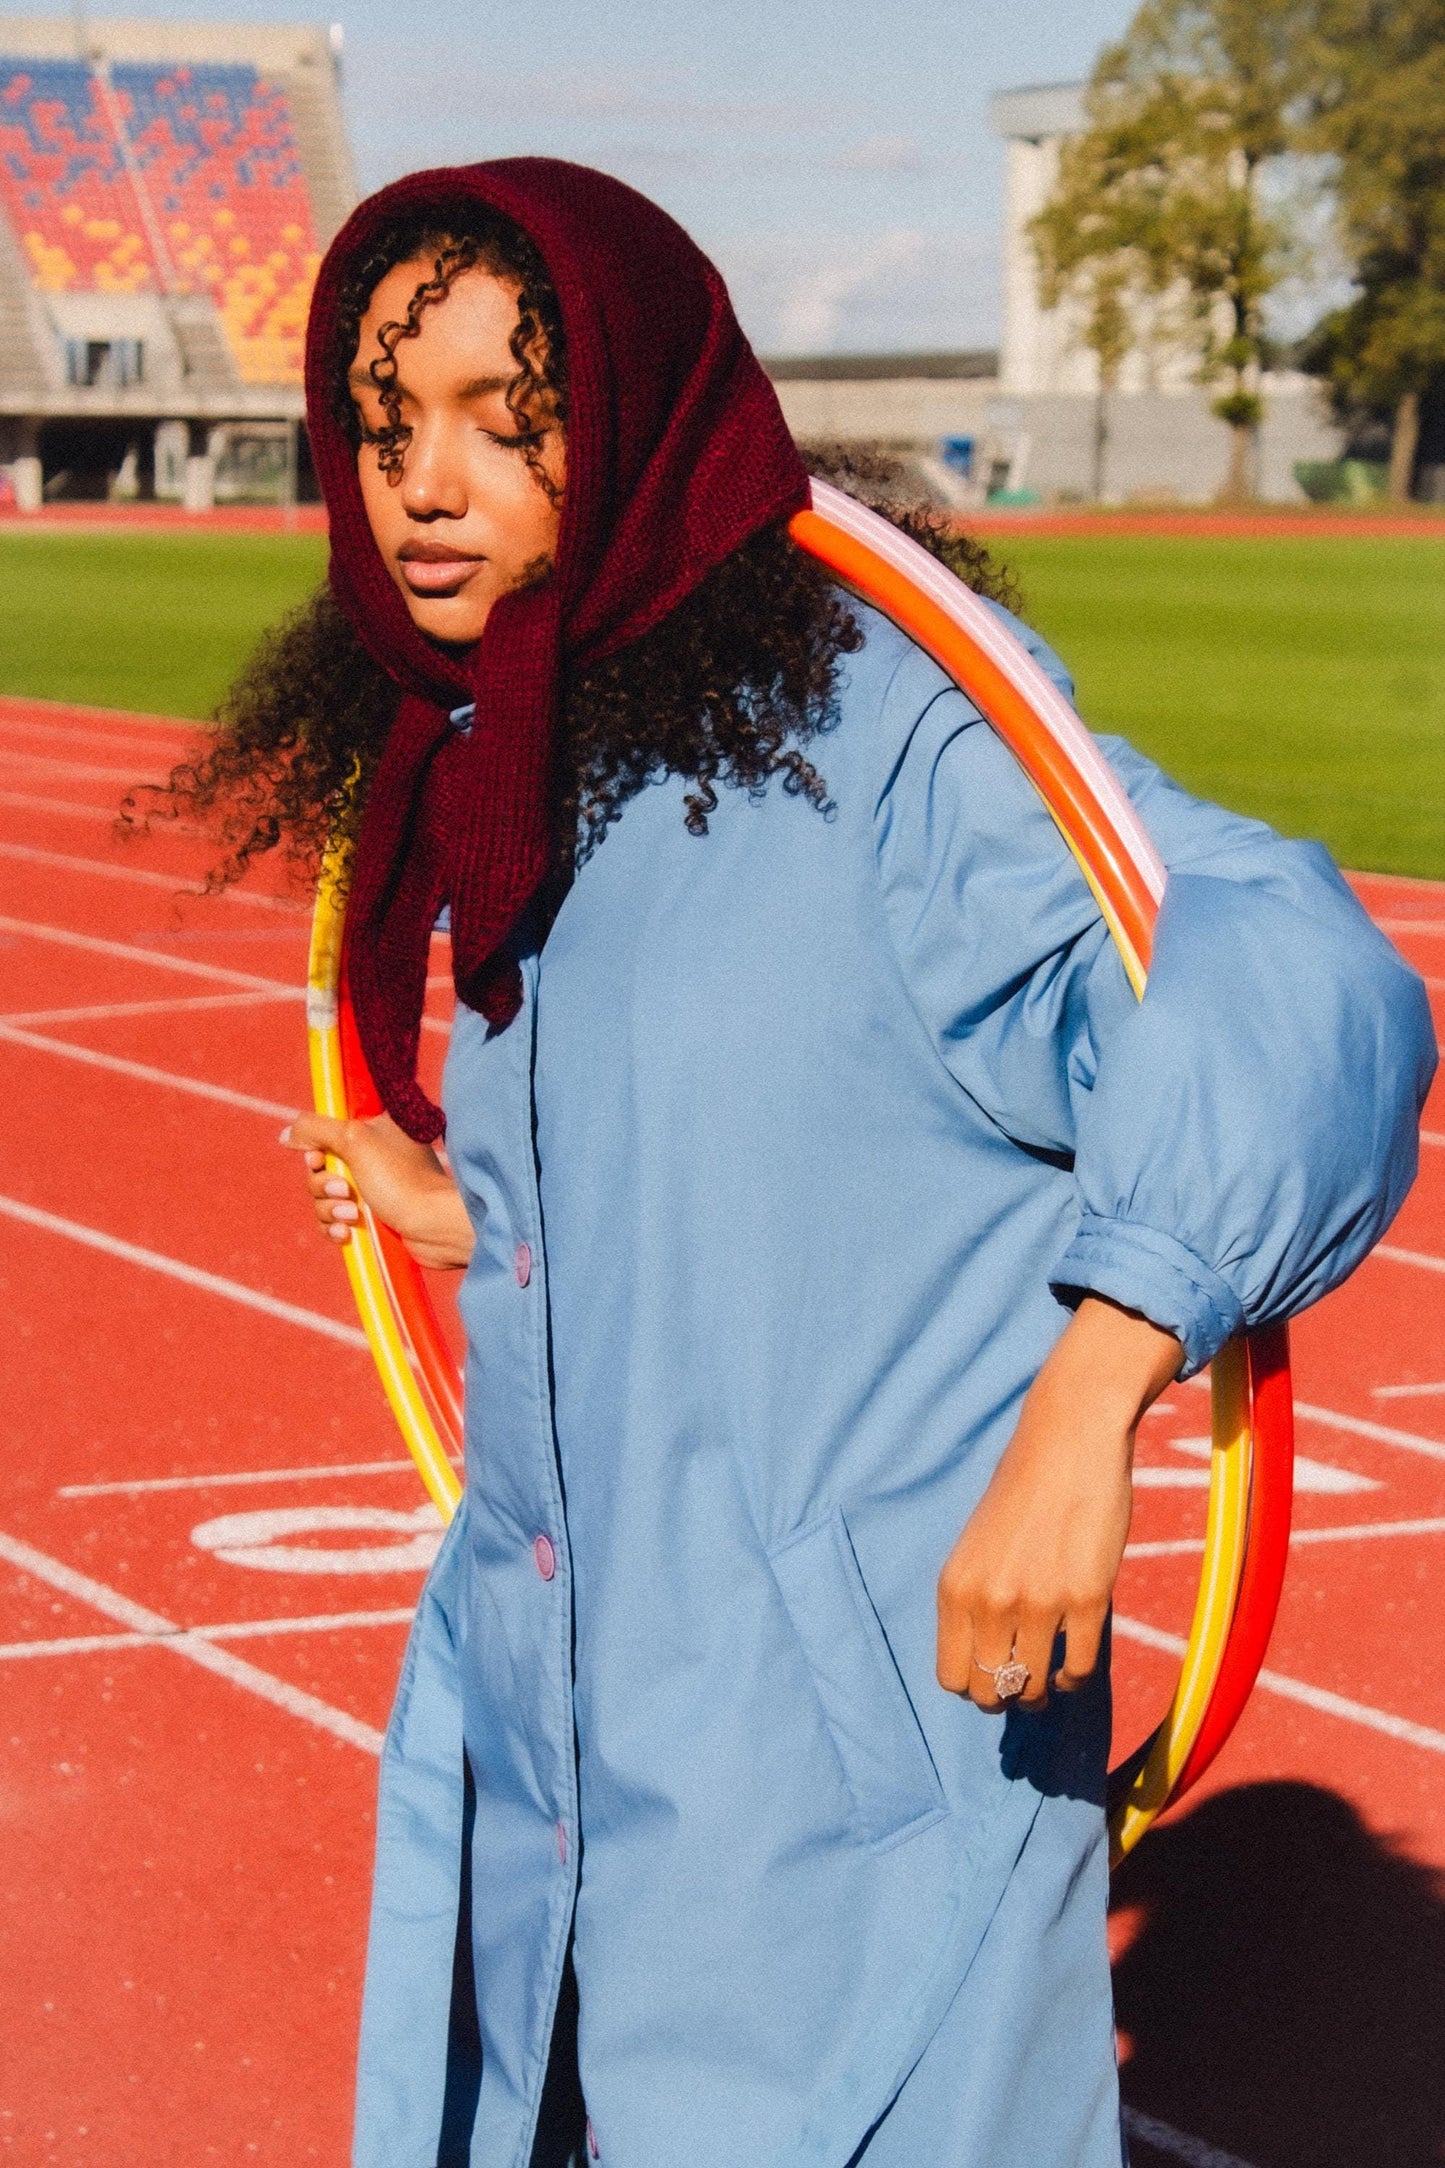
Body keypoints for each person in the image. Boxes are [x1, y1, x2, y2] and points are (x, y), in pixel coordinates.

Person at [154, 160, 1434, 2168]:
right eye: (387, 429)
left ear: (638, 415)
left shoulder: (887, 737)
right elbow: (782, 1157)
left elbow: (1295, 976)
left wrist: (1092, 1401)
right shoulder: (515, 764)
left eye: (505, 420)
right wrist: (494, 1217)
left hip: (847, 1819)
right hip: (554, 1763)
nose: (422, 487)